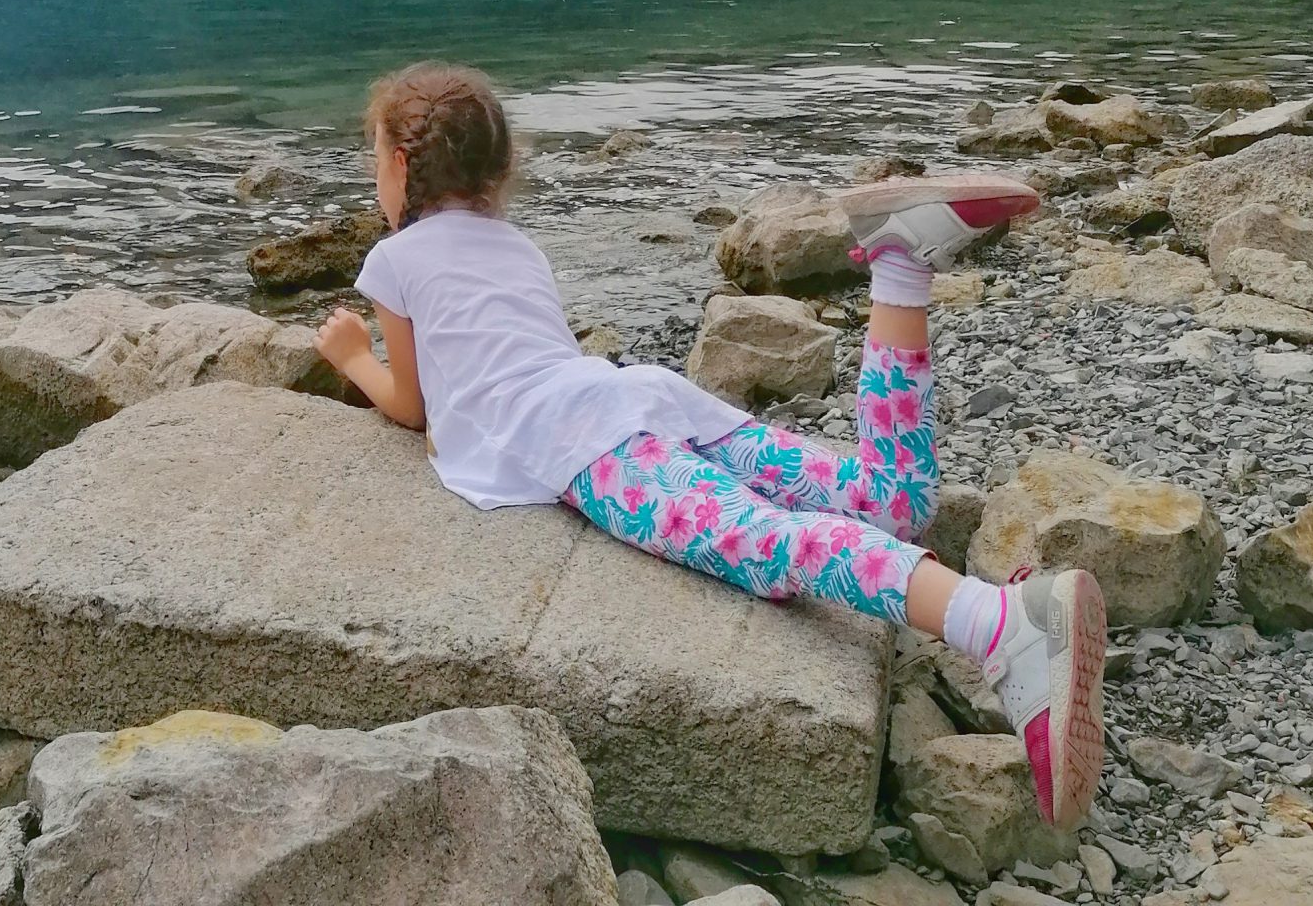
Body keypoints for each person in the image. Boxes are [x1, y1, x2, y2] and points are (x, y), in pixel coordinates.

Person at [315, 61, 1106, 829]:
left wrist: (353, 358)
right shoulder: (517, 246)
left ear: (401, 163)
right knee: (889, 505)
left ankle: (998, 623)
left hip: (586, 447)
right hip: (642, 397)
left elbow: (415, 408)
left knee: (765, 542)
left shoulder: (394, 258)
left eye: (373, 158)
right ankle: (899, 263)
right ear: (495, 166)